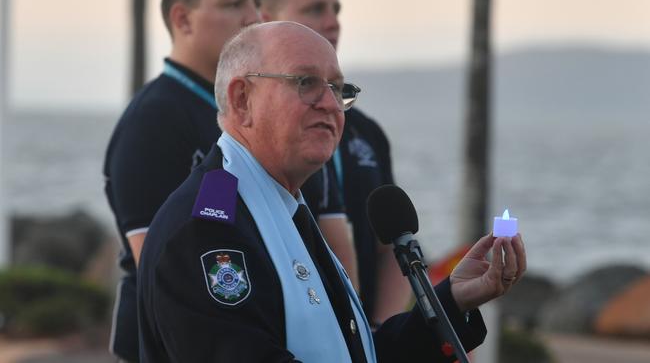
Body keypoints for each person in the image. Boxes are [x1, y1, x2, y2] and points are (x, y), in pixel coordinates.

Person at [138, 21, 527, 363]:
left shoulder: (284, 208)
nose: (330, 104)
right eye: (304, 82)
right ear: (242, 100)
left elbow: (359, 355)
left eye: (338, 88)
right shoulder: (207, 229)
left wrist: (453, 300)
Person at [103, 0, 259, 360]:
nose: (253, 16)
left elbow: (219, 224)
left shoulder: (219, 111)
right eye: (233, 4)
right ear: (183, 19)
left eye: (255, 2)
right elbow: (162, 264)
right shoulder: (154, 120)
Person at [257, 0, 409, 325]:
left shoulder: (367, 133)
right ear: (267, 19)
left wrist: (379, 336)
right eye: (314, 9)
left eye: (336, 10)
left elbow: (393, 249)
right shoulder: (255, 135)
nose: (332, 21)